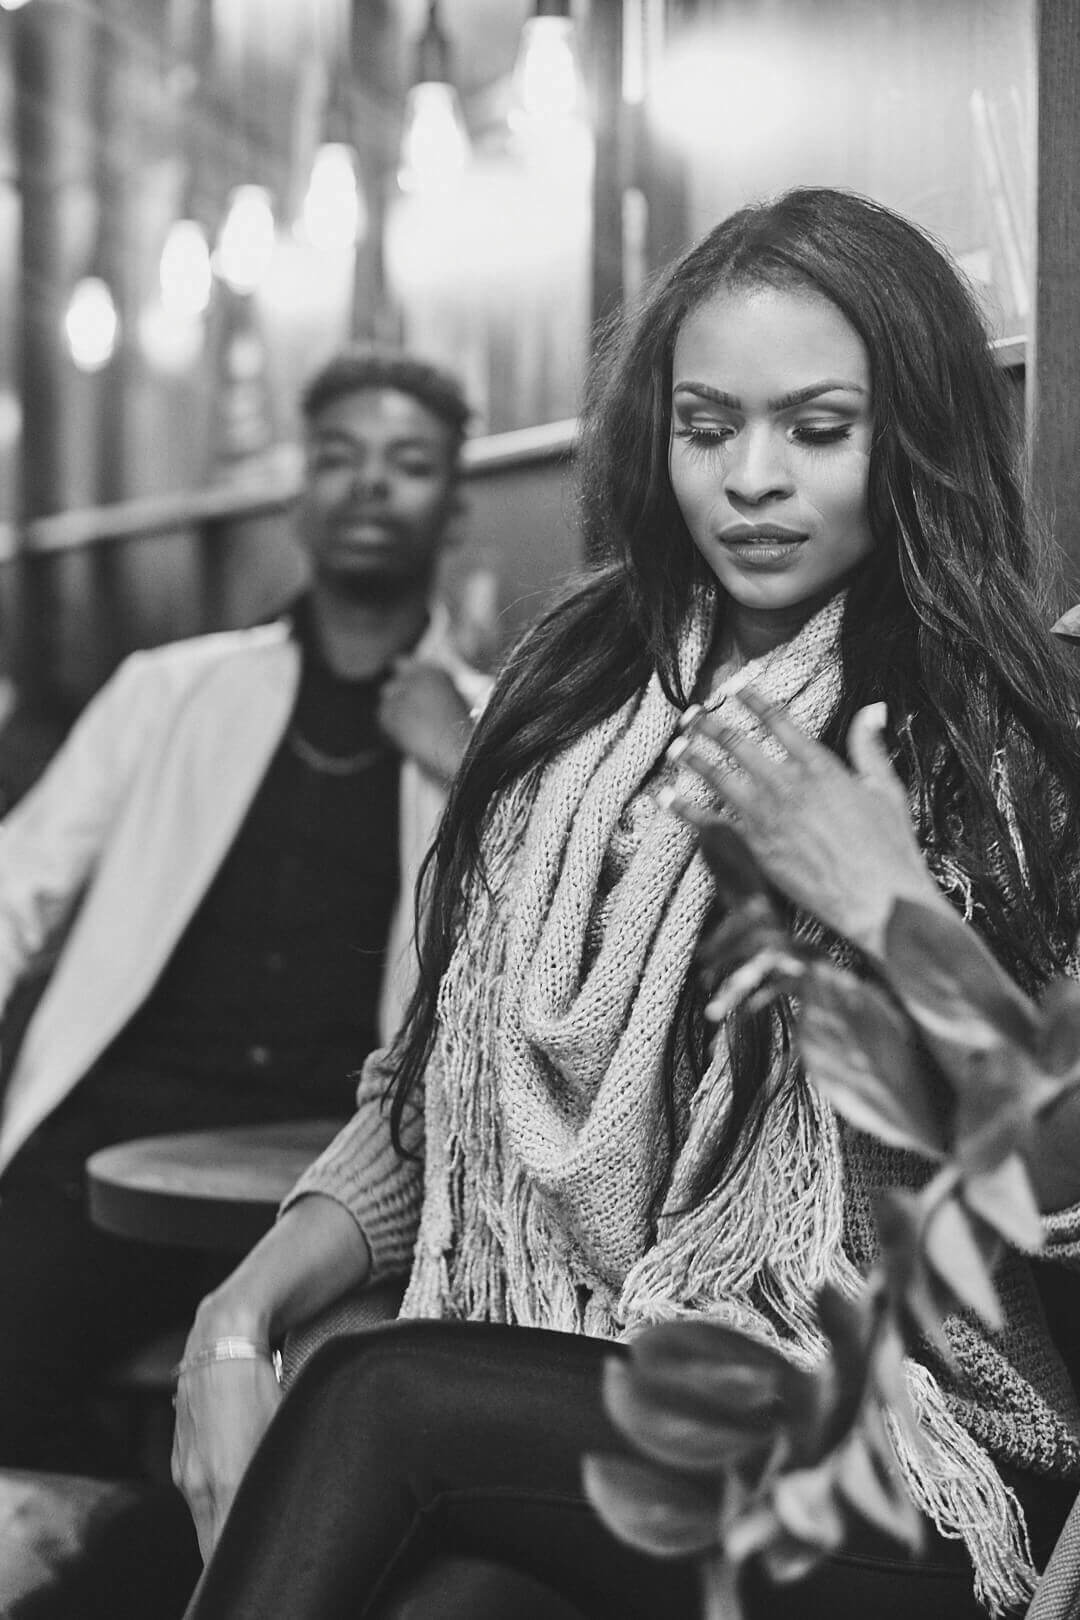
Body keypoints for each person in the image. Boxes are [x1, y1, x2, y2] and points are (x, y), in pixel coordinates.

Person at [172, 189, 1080, 1620]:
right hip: (582, 1380)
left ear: (910, 434)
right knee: (433, 1582)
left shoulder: (1008, 732)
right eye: (707, 428)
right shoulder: (574, 699)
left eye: (817, 430)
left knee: (378, 1396)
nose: (752, 479)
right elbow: (439, 1094)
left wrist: (890, 905)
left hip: (910, 1445)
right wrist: (236, 1314)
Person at [0, 346, 486, 1478]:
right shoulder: (171, 690)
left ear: (455, 511)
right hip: (111, 1147)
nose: (370, 485)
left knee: (324, 1440)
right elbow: (16, 886)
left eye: (407, 463)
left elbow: (550, 945)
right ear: (296, 496)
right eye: (339, 458)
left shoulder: (502, 726)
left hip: (337, 1174)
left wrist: (464, 762)